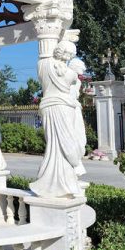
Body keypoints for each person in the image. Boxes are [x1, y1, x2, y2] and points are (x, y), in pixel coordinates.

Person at [30, 40, 83, 198]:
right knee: (64, 144)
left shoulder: (42, 64)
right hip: (63, 107)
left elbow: (45, 59)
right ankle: (64, 183)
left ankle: (49, 180)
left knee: (53, 144)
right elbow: (73, 80)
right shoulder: (71, 74)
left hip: (47, 107)